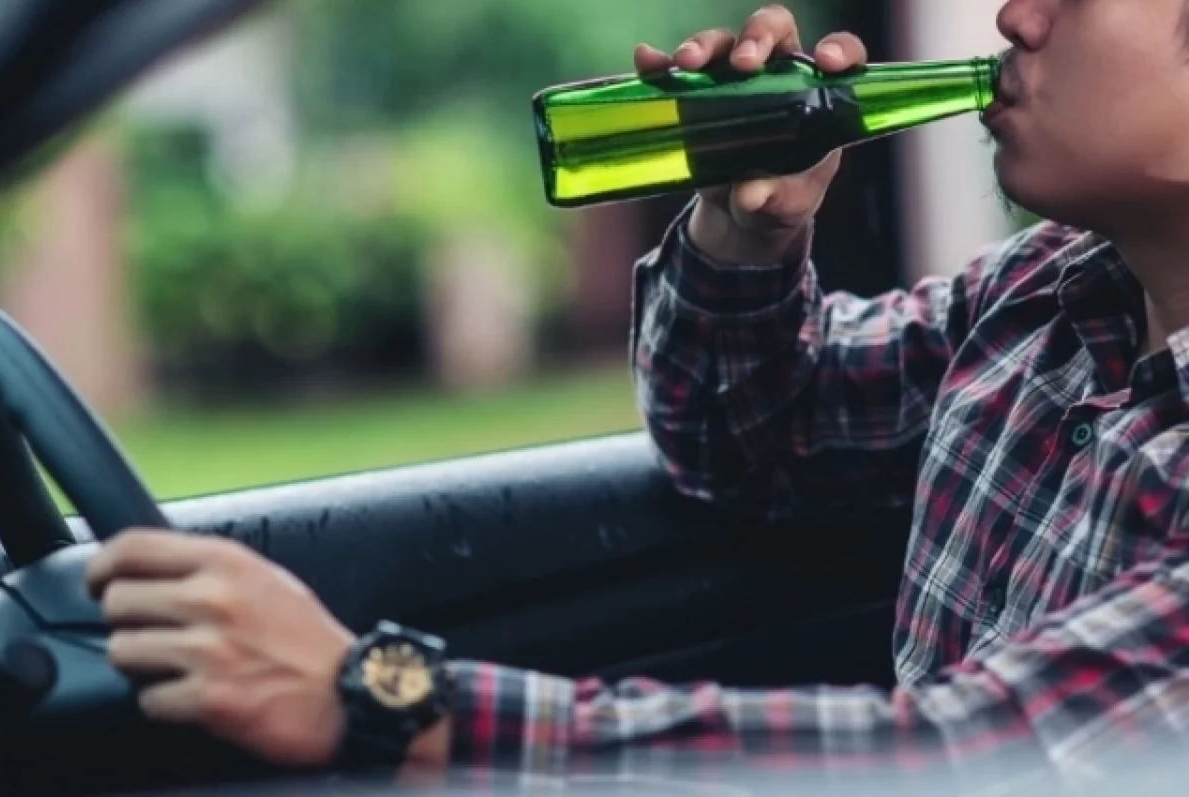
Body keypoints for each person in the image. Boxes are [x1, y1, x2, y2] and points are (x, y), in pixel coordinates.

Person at [78, 0, 1189, 790]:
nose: (1013, 16)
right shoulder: (1048, 292)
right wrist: (747, 230)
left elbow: (962, 759)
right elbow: (748, 444)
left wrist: (380, 698)